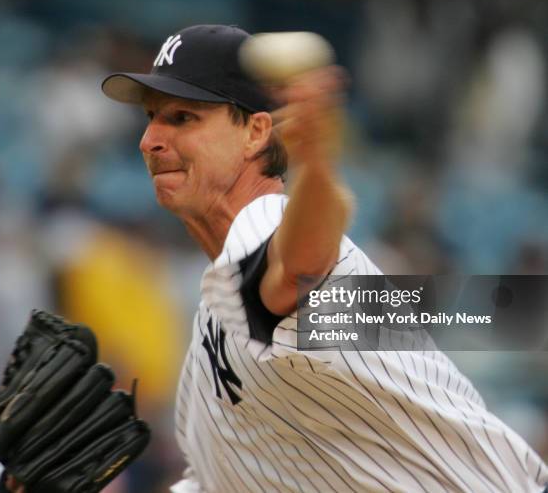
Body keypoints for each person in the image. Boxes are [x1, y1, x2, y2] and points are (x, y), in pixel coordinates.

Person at [102, 24, 548, 493]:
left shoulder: (267, 230)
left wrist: (316, 165)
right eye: (151, 117)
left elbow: (299, 265)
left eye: (182, 118)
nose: (149, 139)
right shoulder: (206, 354)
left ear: (256, 131)